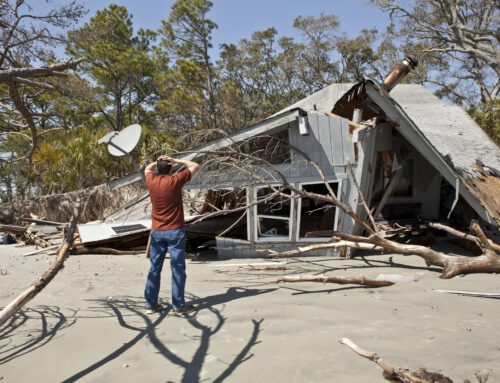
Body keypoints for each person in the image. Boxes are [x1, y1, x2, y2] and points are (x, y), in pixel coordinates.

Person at [144, 155, 200, 315]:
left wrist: (158, 162)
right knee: (177, 269)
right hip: (175, 231)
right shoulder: (175, 180)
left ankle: (151, 304)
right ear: (170, 168)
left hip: (157, 231)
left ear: (158, 168)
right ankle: (178, 306)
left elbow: (147, 169)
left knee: (154, 268)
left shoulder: (152, 181)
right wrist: (176, 160)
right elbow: (194, 165)